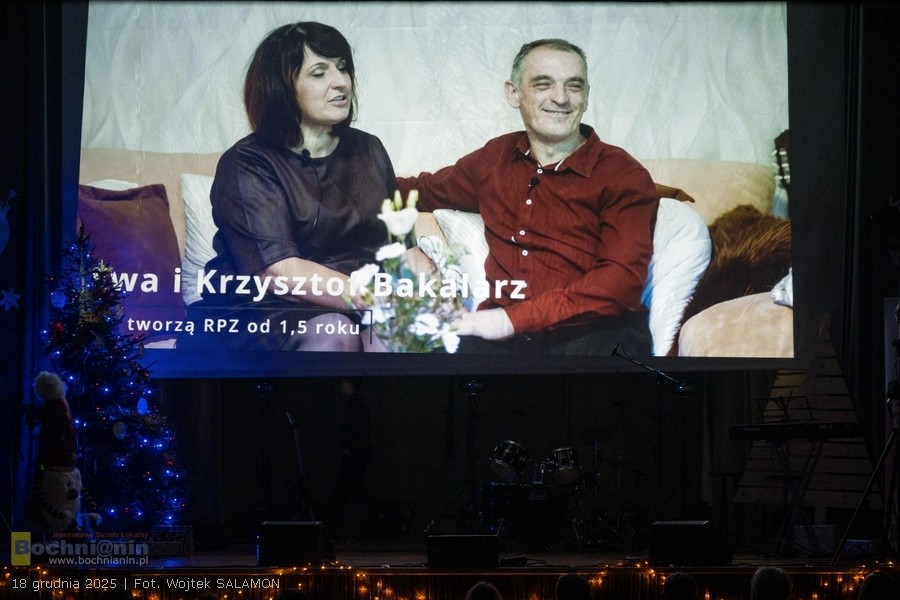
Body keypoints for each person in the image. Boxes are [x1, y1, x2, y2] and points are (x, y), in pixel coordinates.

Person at [398, 38, 658, 356]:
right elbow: (418, 191)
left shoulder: (623, 175)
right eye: (543, 84)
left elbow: (620, 284)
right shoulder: (494, 159)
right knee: (428, 358)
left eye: (574, 86)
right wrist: (344, 166)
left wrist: (510, 320)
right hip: (501, 342)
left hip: (593, 334)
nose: (561, 98)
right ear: (513, 93)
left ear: (587, 95)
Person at [182, 22, 396, 352]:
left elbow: (401, 245)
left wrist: (431, 296)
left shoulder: (370, 150)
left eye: (342, 68)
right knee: (334, 331)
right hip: (262, 309)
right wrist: (379, 300)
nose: (341, 81)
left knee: (397, 335)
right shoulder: (247, 162)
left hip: (355, 304)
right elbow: (280, 273)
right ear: (283, 87)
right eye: (319, 73)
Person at [329, 377, 374, 540]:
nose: (340, 386)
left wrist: (348, 449)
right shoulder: (356, 403)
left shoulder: (354, 404)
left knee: (349, 491)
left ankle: (374, 520)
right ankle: (373, 520)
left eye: (343, 383)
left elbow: (356, 430)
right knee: (352, 491)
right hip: (356, 455)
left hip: (354, 455)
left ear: (350, 384)